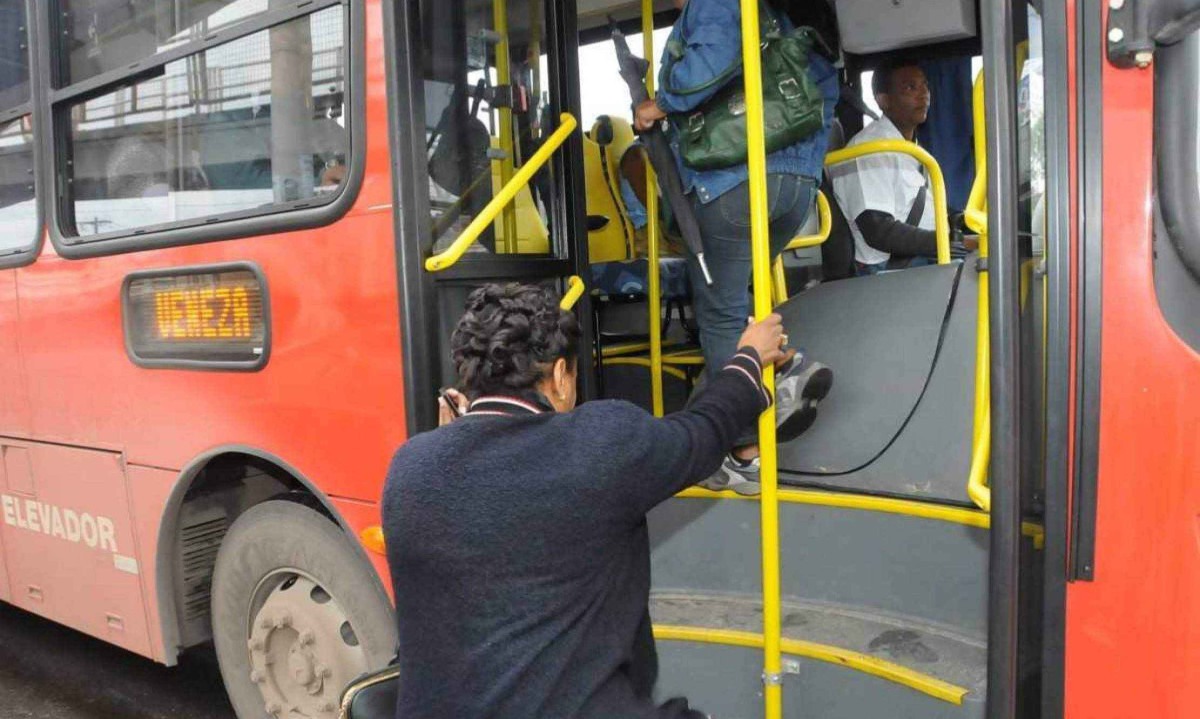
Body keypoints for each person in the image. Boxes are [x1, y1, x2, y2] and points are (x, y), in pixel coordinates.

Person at [383, 283, 793, 719]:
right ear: (560, 375)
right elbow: (704, 430)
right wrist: (750, 358)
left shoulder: (410, 468)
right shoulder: (599, 444)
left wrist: (453, 442)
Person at [633, 0, 837, 493]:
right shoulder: (776, 14)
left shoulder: (716, 2)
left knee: (721, 313)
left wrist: (656, 104)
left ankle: (744, 449)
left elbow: (714, 62)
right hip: (795, 183)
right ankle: (785, 366)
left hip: (735, 180)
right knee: (741, 297)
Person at [831, 61, 974, 276]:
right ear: (883, 100)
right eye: (910, 88)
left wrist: (961, 223)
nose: (924, 94)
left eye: (925, 86)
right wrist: (953, 242)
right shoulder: (871, 149)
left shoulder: (910, 149)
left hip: (924, 256)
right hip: (891, 269)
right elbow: (879, 230)